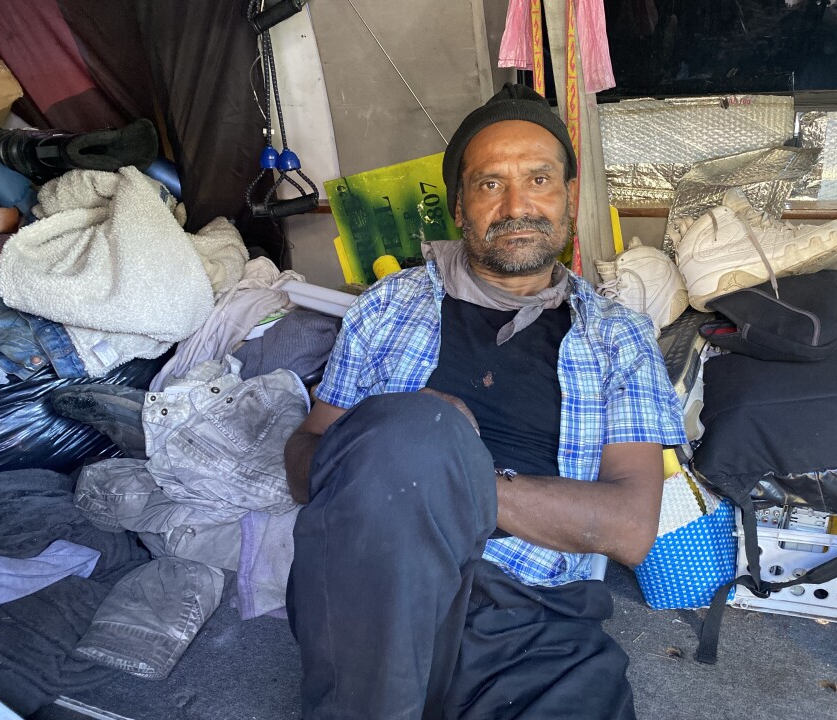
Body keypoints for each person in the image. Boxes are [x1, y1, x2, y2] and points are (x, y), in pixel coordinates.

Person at [284, 83, 687, 720]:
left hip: (537, 612)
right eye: (490, 184)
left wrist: (442, 475)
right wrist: (400, 443)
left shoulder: (620, 337)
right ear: (458, 206)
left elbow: (628, 529)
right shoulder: (387, 307)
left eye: (539, 179)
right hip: (377, 586)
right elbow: (304, 456)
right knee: (418, 426)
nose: (517, 204)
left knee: (425, 437)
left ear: (569, 198)